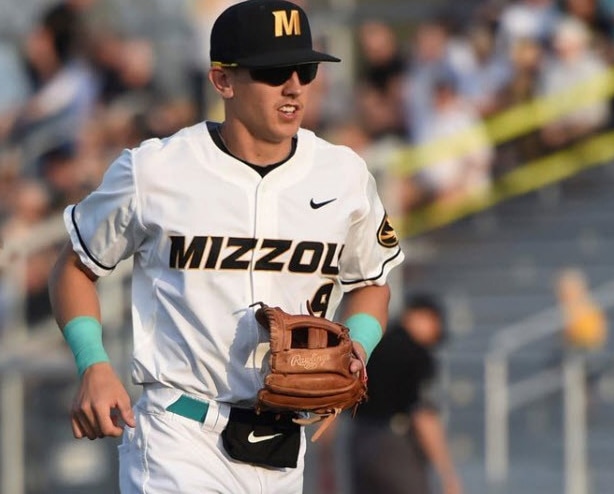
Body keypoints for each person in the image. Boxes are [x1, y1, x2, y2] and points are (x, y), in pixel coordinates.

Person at [46, 1, 404, 492]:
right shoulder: (156, 170)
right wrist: (93, 364)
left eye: (303, 69)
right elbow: (74, 267)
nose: (294, 86)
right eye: (274, 71)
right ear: (223, 80)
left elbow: (371, 286)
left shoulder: (343, 174)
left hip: (284, 441)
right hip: (179, 433)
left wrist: (355, 353)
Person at [347, 294, 462, 494]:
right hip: (396, 445)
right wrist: (448, 475)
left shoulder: (373, 345)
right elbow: (423, 415)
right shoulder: (417, 355)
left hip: (359, 440)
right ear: (422, 317)